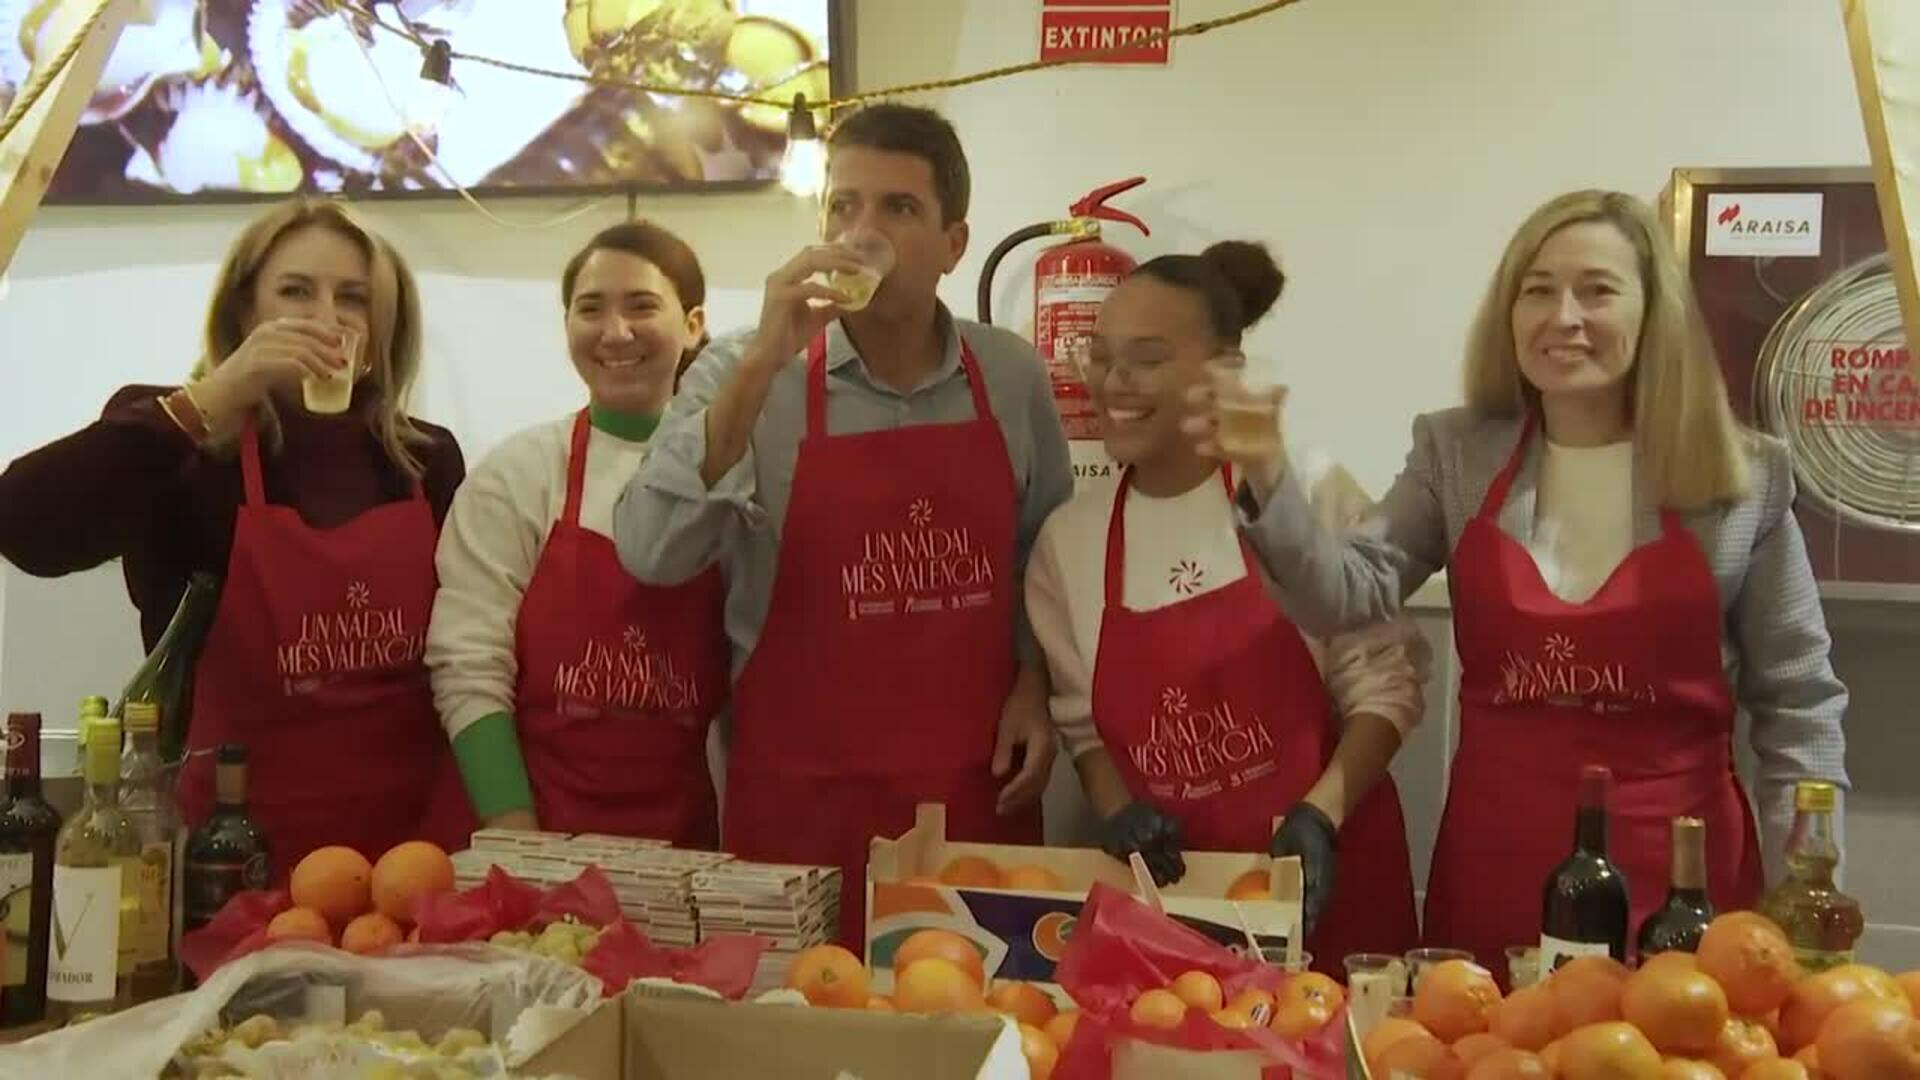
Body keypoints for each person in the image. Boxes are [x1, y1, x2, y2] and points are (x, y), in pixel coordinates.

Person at [1211, 190, 1849, 969]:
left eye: (1598, 290)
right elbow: (1345, 592)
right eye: (1537, 290)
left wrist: (1803, 880)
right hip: (1497, 858)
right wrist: (1269, 476)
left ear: (1655, 314)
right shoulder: (1456, 455)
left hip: (1682, 877)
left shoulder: (1743, 476)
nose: (1564, 316)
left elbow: (1799, 700)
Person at [615, 103, 1074, 946]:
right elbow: (652, 554)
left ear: (953, 244)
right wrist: (761, 363)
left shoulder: (1008, 374)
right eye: (843, 207)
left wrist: (1034, 681)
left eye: (898, 209)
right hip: (799, 799)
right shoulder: (741, 368)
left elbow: (1047, 555)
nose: (862, 232)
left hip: (974, 795)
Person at [0, 198, 475, 877]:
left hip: (405, 857)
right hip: (226, 850)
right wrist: (217, 396)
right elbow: (28, 528)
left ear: (384, 327)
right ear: (243, 313)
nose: (325, 318)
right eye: (295, 292)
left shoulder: (425, 461)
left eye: (353, 299)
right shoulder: (183, 441)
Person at [1026, 240, 1425, 973]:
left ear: (1226, 372)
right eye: (1102, 356)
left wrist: (1320, 815)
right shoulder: (1069, 542)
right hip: (1183, 907)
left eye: (1146, 358)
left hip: (1330, 883)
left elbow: (1385, 686)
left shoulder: (1299, 491)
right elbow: (1082, 726)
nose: (1114, 382)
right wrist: (1118, 811)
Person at [427, 221, 727, 845]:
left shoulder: (735, 474)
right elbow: (469, 664)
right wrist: (518, 837)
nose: (615, 332)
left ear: (693, 324)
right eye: (591, 309)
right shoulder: (519, 474)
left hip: (688, 853)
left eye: (642, 306)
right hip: (528, 834)